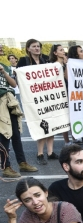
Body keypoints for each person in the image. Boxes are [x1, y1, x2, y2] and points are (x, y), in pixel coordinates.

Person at [16, 39, 57, 165]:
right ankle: (40, 153)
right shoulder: (24, 61)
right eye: (33, 46)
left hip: (48, 95)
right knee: (41, 124)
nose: (36, 48)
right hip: (33, 97)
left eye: (38, 46)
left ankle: (50, 152)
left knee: (52, 122)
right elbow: (19, 78)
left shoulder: (46, 59)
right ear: (28, 48)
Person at [0, 46, 37, 178]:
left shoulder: (4, 66)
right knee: (4, 135)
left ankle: (22, 163)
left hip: (10, 101)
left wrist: (4, 72)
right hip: (0, 103)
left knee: (16, 134)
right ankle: (6, 166)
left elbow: (13, 84)